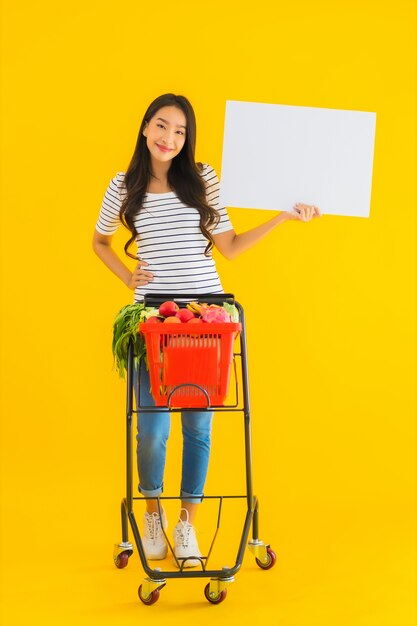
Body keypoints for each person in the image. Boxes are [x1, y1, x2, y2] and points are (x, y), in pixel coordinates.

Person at [92, 93, 321, 567]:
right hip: (153, 319)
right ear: (145, 127)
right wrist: (125, 275)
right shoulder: (123, 186)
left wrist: (282, 217)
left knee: (199, 427)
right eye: (161, 126)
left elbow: (231, 248)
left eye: (179, 131)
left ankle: (186, 526)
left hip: (208, 317)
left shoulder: (203, 180)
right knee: (152, 430)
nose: (169, 139)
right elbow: (99, 241)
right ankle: (151, 514)